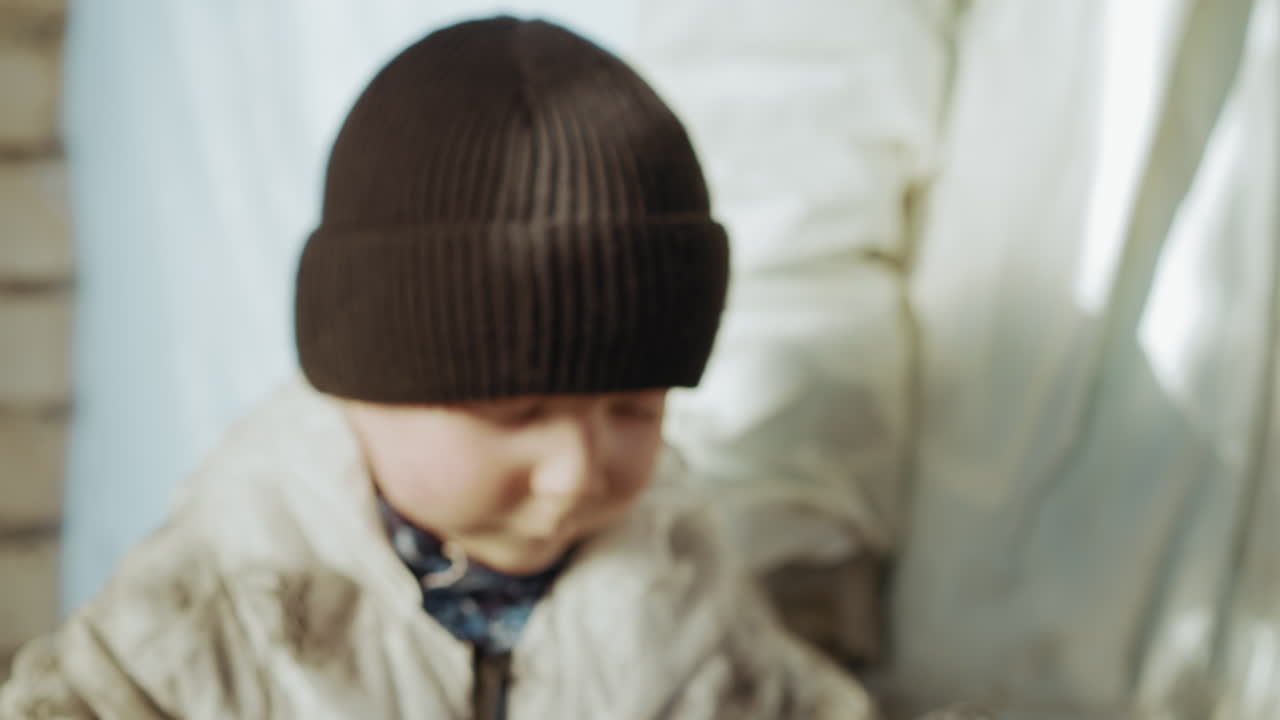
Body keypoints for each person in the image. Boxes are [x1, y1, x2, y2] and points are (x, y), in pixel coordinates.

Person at [0, 16, 876, 719]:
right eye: (515, 413)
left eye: (635, 409)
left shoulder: (682, 587)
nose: (576, 472)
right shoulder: (228, 597)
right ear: (359, 383)